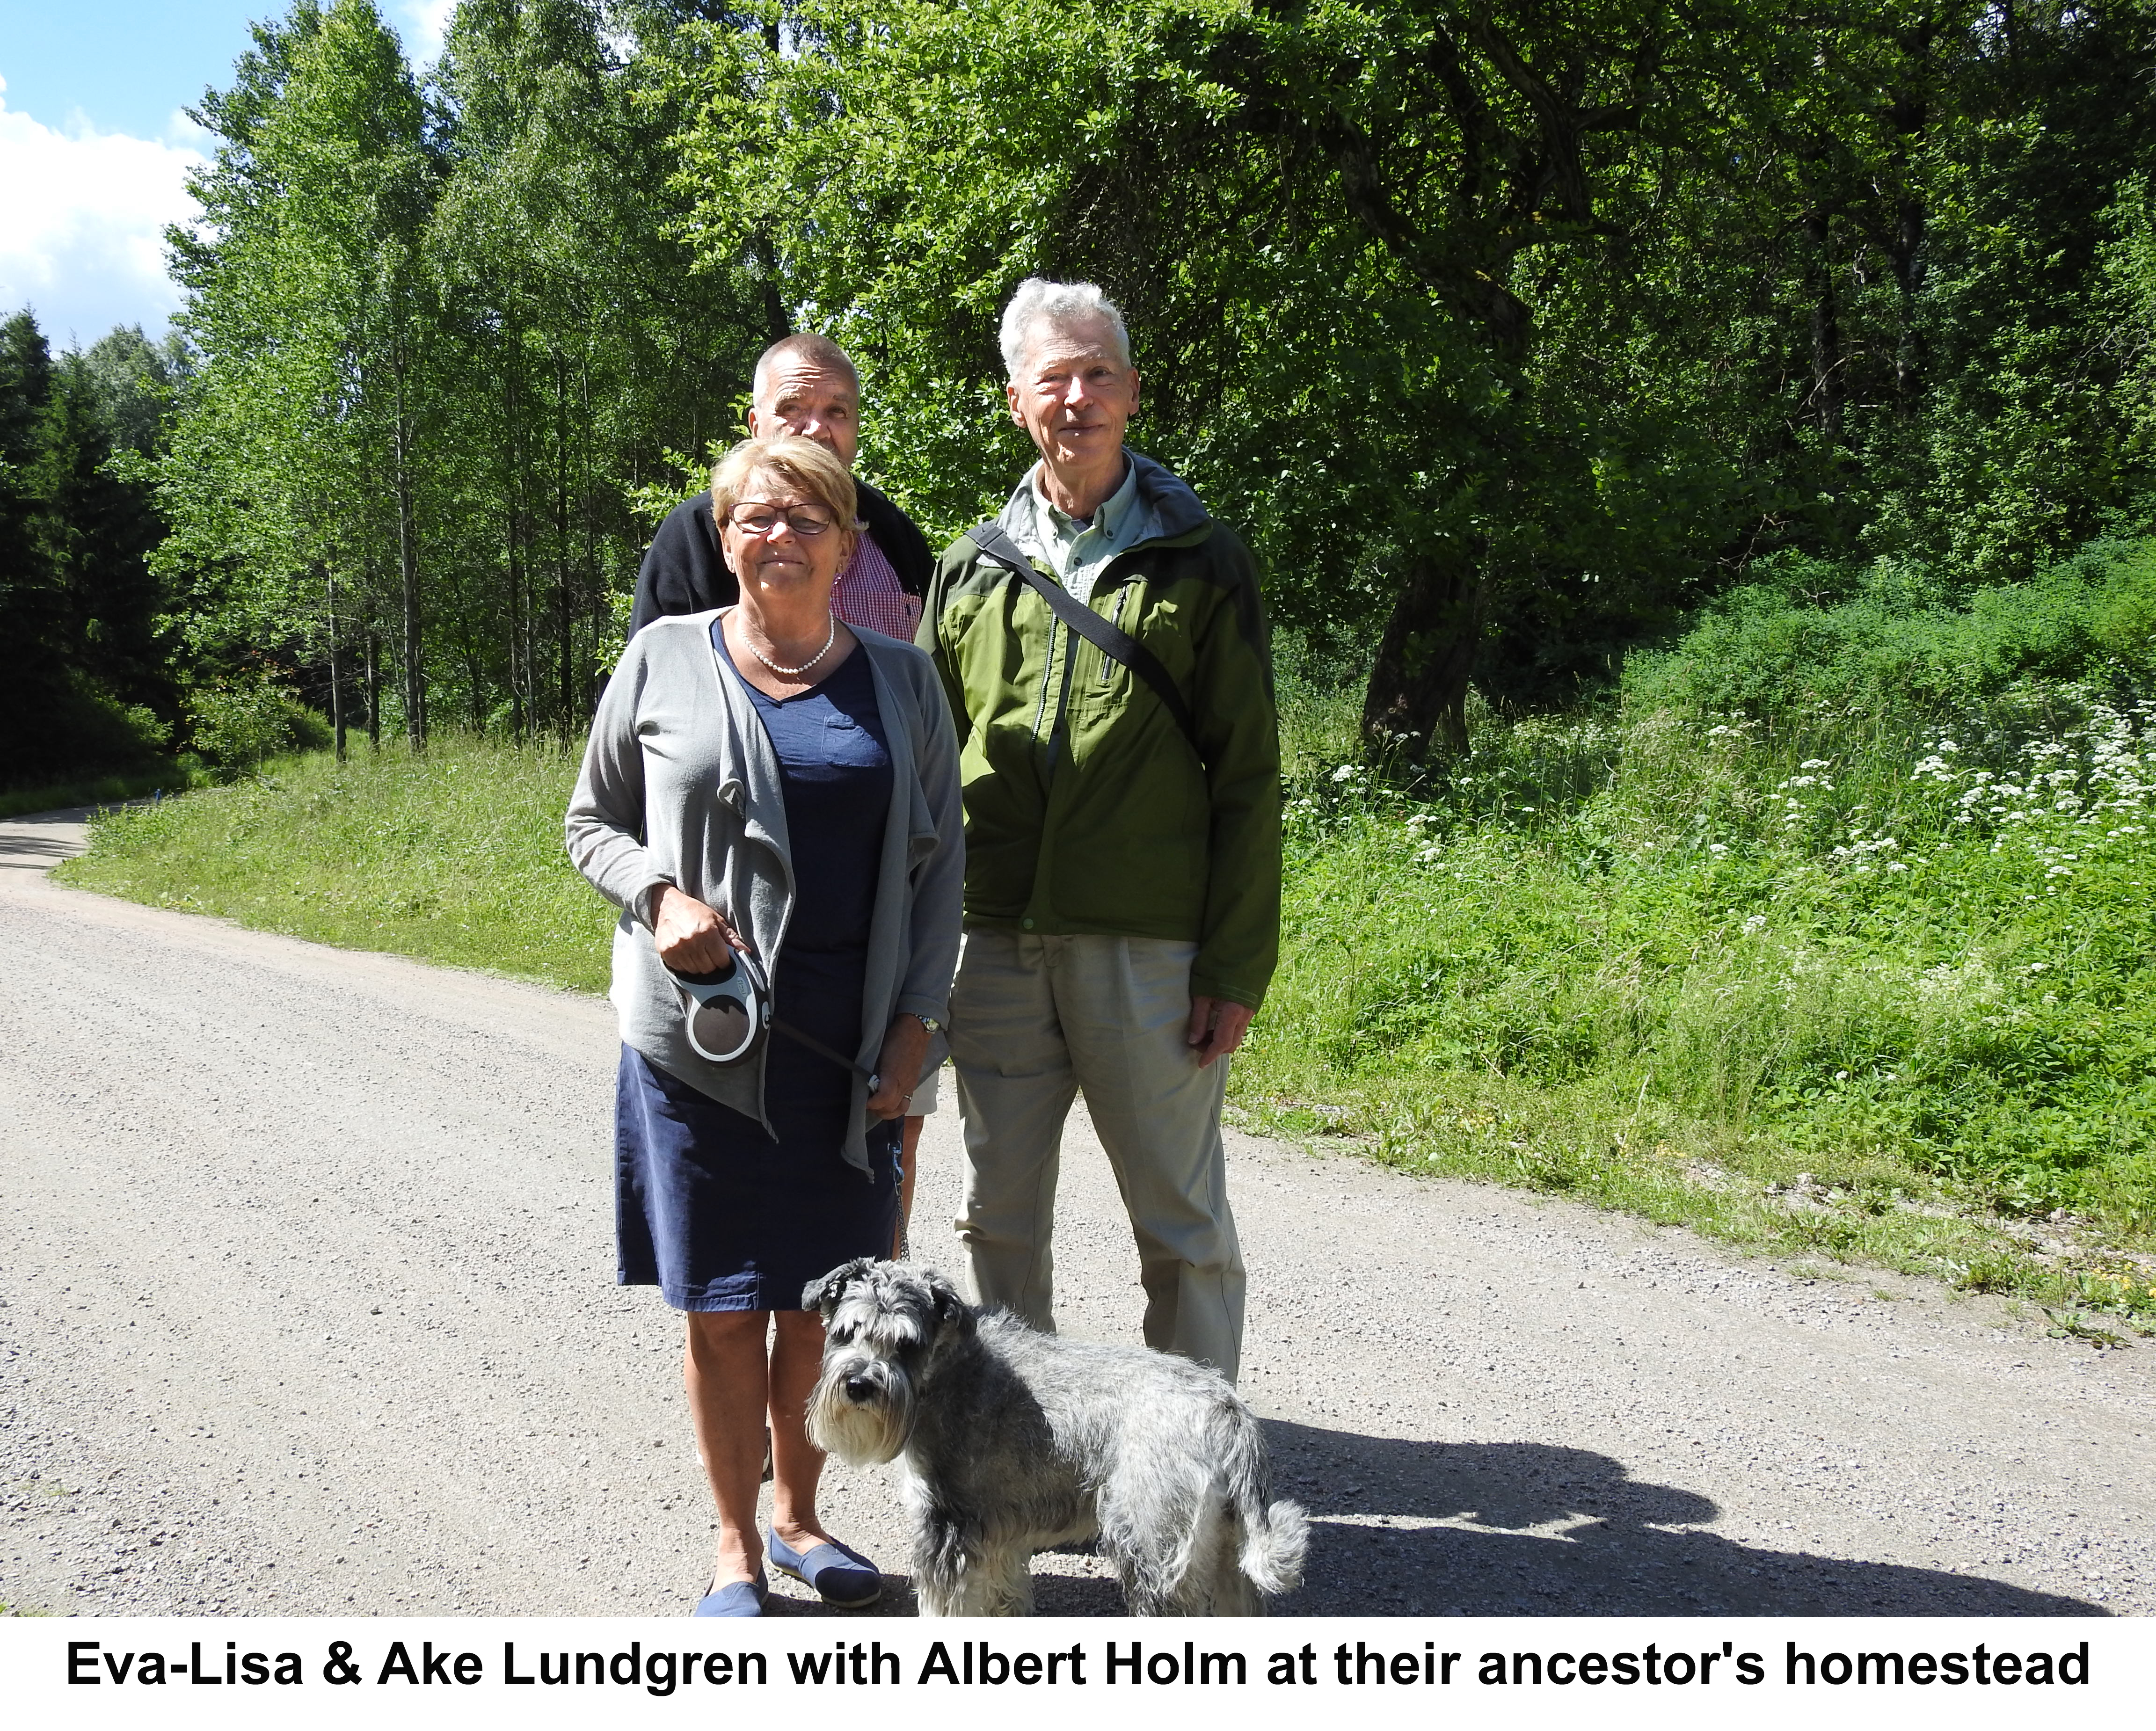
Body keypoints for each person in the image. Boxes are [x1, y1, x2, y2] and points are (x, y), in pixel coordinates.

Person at [568, 434, 962, 1616]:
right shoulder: (661, 658)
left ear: (847, 546)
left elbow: (944, 868)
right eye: (753, 517)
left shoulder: (902, 679)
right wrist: (658, 894)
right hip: (704, 1047)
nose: (778, 536)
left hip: (850, 1055)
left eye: (806, 519)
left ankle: (802, 1516)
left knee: (821, 1305)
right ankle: (736, 1542)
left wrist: (917, 1024)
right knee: (725, 1305)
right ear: (723, 537)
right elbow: (591, 821)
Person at [918, 278, 1280, 1386]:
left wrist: (1233, 962)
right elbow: (932, 771)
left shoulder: (1202, 558)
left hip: (1149, 949)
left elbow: (1249, 778)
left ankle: (1194, 1473)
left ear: (1131, 391)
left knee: (1180, 1225)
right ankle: (1019, 1460)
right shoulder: (972, 566)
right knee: (1002, 1223)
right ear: (1016, 400)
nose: (1077, 396)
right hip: (993, 944)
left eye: (1098, 374)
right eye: (1053, 378)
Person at [630, 332, 940, 1254]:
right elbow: (649, 745)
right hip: (736, 919)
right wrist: (663, 897)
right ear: (755, 421)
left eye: (836, 412)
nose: (816, 427)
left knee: (890, 1134)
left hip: (876, 906)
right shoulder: (695, 536)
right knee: (741, 1157)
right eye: (794, 411)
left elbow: (925, 735)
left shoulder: (898, 544)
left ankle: (870, 1344)